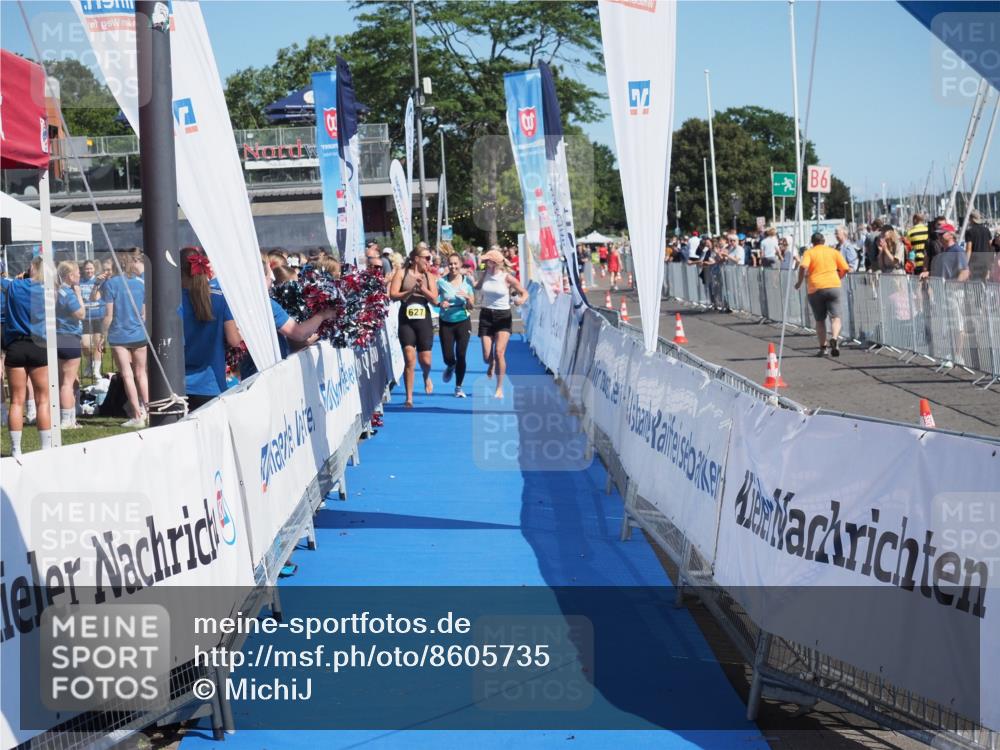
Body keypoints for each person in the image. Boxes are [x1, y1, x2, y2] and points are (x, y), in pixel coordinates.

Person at [180, 248, 243, 411]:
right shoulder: (220, 298)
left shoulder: (174, 302)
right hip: (212, 384)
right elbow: (234, 340)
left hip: (177, 384)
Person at [2, 257, 52, 457]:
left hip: (16, 345)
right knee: (43, 400)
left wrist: (18, 279)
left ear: (31, 268)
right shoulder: (47, 291)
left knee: (16, 401)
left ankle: (16, 449)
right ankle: (46, 449)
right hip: (39, 345)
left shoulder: (14, 286)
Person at [102, 251, 148, 427]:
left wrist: (101, 336)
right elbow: (143, 313)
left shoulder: (110, 284)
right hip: (138, 333)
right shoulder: (140, 283)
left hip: (119, 334)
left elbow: (108, 315)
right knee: (141, 374)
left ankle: (137, 415)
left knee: (127, 375)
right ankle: (149, 411)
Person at [389, 244, 439, 408]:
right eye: (426, 258)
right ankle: (408, 397)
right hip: (406, 318)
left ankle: (426, 375)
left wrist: (422, 289)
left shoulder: (429, 276)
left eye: (429, 258)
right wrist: (409, 292)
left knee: (425, 361)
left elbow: (435, 299)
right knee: (409, 359)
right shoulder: (402, 273)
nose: (428, 261)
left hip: (423, 318)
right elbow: (393, 294)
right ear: (416, 259)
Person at [476, 247, 527, 399]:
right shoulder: (485, 273)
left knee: (499, 352)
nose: (484, 262)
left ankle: (499, 388)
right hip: (486, 315)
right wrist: (470, 282)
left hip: (503, 316)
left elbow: (524, 293)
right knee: (487, 356)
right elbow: (478, 286)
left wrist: (520, 300)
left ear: (493, 262)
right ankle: (491, 364)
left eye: (486, 260)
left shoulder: (507, 278)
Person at [795, 231, 850, 357]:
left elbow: (803, 266)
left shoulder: (809, 252)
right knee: (835, 317)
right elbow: (845, 268)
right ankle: (835, 338)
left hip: (815, 287)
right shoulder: (833, 252)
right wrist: (838, 277)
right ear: (824, 241)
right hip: (833, 285)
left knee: (820, 320)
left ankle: (823, 347)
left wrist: (799, 282)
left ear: (812, 242)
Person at [437, 251, 475, 398]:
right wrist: (441, 303)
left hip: (463, 321)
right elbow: (434, 299)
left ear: (460, 264)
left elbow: (472, 306)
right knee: (448, 356)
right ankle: (450, 365)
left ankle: (458, 387)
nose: (453, 266)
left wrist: (468, 298)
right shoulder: (441, 282)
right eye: (450, 264)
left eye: (455, 264)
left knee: (461, 354)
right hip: (446, 322)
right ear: (447, 265)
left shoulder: (467, 282)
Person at [55, 261, 86, 429]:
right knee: (67, 382)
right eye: (77, 273)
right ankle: (66, 420)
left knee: (65, 380)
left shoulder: (56, 291)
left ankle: (70, 417)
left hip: (58, 338)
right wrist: (79, 295)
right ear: (69, 275)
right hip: (69, 338)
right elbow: (81, 314)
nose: (80, 275)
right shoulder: (68, 293)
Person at [78, 259, 106, 380]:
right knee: (85, 344)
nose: (89, 270)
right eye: (87, 268)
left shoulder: (99, 280)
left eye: (91, 268)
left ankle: (96, 370)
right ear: (83, 270)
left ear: (94, 269)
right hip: (85, 316)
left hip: (98, 315)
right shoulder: (79, 282)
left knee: (97, 344)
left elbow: (99, 296)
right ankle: (89, 362)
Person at [964, 210, 993, 280]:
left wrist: (965, 263)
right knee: (984, 284)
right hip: (986, 261)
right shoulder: (987, 230)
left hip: (975, 262)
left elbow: (969, 249)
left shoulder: (969, 232)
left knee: (975, 285)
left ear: (971, 219)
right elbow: (991, 246)